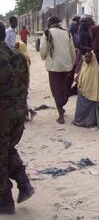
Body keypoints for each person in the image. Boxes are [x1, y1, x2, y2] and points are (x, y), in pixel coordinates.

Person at [0, 23, 35, 215]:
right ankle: (24, 183)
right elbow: (25, 83)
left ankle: (4, 200)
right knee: (7, 148)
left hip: (3, 113)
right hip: (19, 110)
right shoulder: (18, 56)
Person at [40, 16, 76, 124]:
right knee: (65, 88)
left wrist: (44, 57)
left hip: (54, 67)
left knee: (56, 91)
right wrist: (72, 63)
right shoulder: (67, 33)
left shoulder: (47, 33)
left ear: (50, 23)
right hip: (66, 66)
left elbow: (43, 49)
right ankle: (62, 104)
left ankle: (61, 115)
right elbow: (72, 50)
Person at [72, 51, 99, 129]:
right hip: (82, 91)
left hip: (91, 94)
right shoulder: (84, 65)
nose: (86, 59)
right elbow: (81, 74)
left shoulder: (95, 69)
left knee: (91, 110)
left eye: (89, 57)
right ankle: (79, 121)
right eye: (85, 57)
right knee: (80, 108)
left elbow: (97, 84)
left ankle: (89, 122)